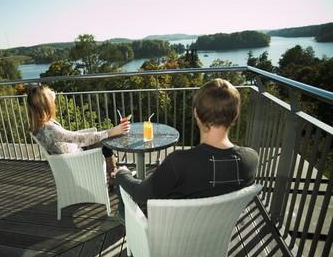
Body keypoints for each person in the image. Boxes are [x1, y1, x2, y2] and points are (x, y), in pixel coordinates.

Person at [113, 78, 259, 223]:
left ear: (196, 114)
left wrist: (122, 174)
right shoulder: (251, 159)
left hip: (170, 234)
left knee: (125, 201)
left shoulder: (179, 163)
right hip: (216, 236)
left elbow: (139, 194)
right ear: (236, 115)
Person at [27, 84, 130, 187]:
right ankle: (113, 176)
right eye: (51, 98)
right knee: (106, 143)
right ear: (47, 105)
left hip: (70, 157)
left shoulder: (39, 125)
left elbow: (70, 137)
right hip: (78, 161)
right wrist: (112, 131)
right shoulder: (50, 129)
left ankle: (113, 175)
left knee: (104, 143)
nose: (53, 96)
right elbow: (80, 139)